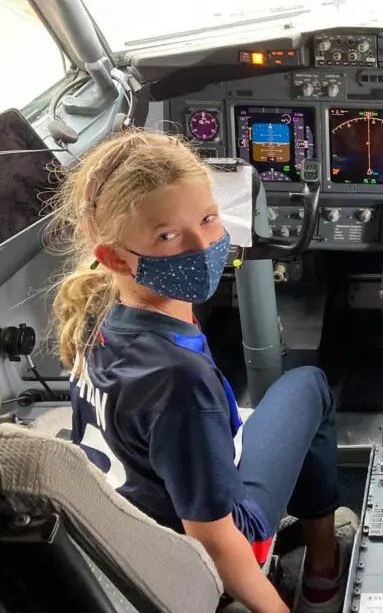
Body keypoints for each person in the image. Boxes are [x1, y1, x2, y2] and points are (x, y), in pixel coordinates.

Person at [50, 130, 352, 613]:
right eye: (168, 235)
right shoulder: (180, 382)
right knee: (309, 384)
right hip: (211, 539)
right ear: (114, 256)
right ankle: (322, 568)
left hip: (138, 516)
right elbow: (214, 542)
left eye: (209, 219)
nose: (202, 244)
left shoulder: (93, 307)